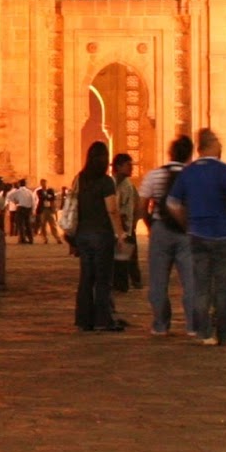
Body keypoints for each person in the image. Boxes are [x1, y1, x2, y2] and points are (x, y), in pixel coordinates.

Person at [167, 128, 226, 346]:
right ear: (211, 145)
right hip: (223, 234)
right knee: (224, 288)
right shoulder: (223, 170)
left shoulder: (188, 171)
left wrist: (186, 223)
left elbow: (172, 204)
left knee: (201, 287)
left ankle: (204, 333)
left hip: (197, 234)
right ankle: (224, 333)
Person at [138, 134, 195, 336]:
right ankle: (192, 325)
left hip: (161, 227)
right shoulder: (194, 175)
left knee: (158, 281)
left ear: (169, 153)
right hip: (187, 230)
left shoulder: (154, 175)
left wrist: (151, 224)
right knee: (191, 281)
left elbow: (142, 204)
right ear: (190, 154)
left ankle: (161, 324)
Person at [72, 141, 126, 332]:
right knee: (103, 279)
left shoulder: (80, 179)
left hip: (83, 234)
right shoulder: (106, 181)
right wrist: (120, 233)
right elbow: (112, 209)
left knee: (86, 278)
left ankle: (83, 320)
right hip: (101, 235)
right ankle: (103, 320)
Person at [110, 154, 141, 295]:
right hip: (116, 226)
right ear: (118, 167)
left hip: (125, 227)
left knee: (125, 258)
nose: (132, 168)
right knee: (119, 258)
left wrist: (132, 223)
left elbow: (136, 205)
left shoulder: (128, 186)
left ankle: (125, 283)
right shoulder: (111, 184)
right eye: (128, 165)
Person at [35, 179, 60, 244]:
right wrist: (48, 196)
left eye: (45, 183)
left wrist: (47, 197)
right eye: (42, 183)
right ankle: (45, 239)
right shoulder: (39, 191)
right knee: (43, 225)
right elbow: (41, 198)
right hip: (43, 209)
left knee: (53, 224)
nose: (44, 184)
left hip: (49, 209)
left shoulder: (50, 190)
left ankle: (57, 238)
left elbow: (53, 198)